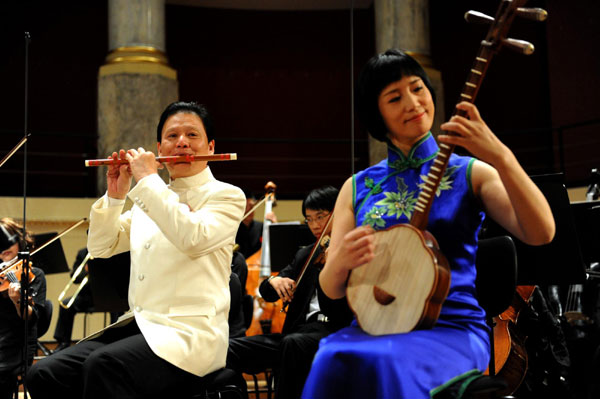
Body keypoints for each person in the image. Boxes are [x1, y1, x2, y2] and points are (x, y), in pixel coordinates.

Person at [301, 49, 556, 399]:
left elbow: (542, 232)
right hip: (376, 326)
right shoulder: (357, 186)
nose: (412, 102)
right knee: (328, 357)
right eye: (395, 97)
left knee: (387, 363)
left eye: (417, 88)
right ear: (377, 116)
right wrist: (341, 260)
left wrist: (498, 153)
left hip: (451, 328)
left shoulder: (470, 172)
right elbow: (330, 290)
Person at [26, 101, 246, 399]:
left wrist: (147, 179)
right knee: (44, 373)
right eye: (172, 136)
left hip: (190, 334)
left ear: (211, 144)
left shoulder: (226, 195)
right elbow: (101, 248)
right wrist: (116, 196)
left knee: (104, 365)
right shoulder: (151, 196)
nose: (182, 142)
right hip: (141, 327)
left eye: (192, 135)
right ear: (159, 147)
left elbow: (192, 238)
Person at [227, 186, 354, 399]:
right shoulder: (306, 254)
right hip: (296, 333)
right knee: (230, 348)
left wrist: (334, 265)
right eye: (309, 219)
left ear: (338, 212)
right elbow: (266, 292)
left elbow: (336, 303)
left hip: (333, 331)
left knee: (292, 344)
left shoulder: (350, 253)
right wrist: (275, 281)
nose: (315, 225)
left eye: (320, 217)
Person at [0, 218, 47, 399]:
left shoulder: (34, 275)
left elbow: (31, 317)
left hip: (14, 345)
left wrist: (18, 301)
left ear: (18, 240)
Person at [52, 247, 121, 353]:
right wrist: (85, 270)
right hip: (87, 296)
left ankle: (115, 341)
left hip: (107, 295)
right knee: (65, 304)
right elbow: (74, 278)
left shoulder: (111, 251)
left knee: (118, 305)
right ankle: (63, 343)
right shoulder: (83, 253)